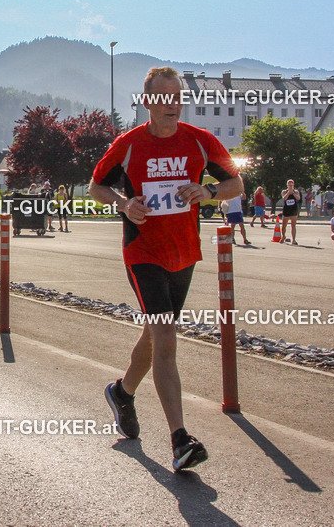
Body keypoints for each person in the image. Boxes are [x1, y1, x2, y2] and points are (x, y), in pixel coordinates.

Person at [90, 66, 242, 472]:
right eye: (161, 98)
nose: (170, 104)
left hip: (184, 253)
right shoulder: (128, 144)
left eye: (176, 97)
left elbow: (236, 185)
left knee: (156, 336)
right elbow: (96, 186)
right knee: (166, 337)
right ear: (147, 102)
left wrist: (207, 191)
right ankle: (180, 439)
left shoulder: (201, 141)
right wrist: (124, 204)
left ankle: (122, 392)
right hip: (143, 253)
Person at [280, 180, 301, 245]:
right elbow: (284, 198)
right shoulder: (284, 191)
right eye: (289, 185)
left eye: (292, 185)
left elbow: (298, 198)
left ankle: (294, 239)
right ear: (287, 185)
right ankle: (283, 236)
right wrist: (288, 192)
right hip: (286, 209)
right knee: (284, 225)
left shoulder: (296, 191)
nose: (291, 186)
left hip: (293, 209)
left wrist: (293, 193)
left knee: (293, 225)